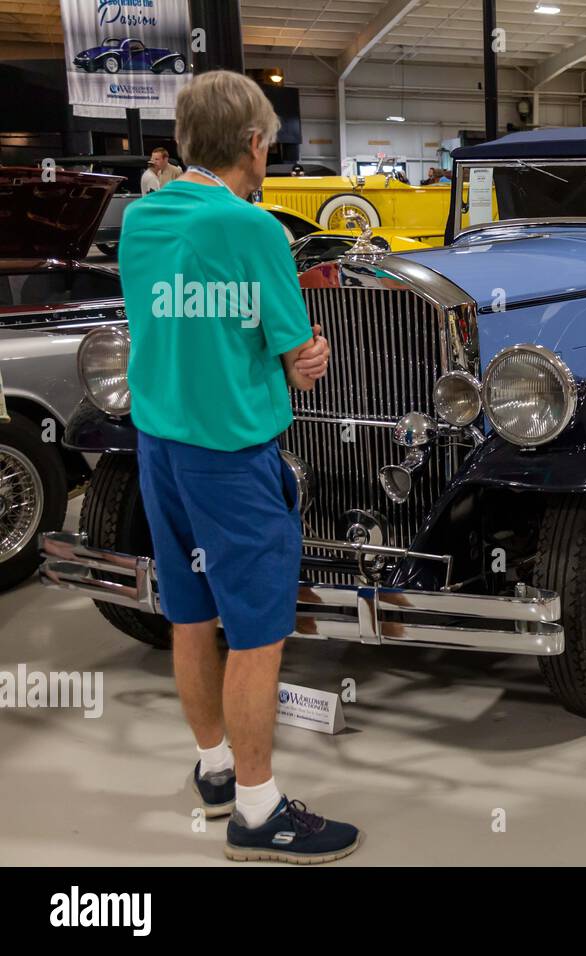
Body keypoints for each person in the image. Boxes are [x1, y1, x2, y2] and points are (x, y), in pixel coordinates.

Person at [117, 70, 357, 865]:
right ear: (253, 144)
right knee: (257, 632)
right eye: (269, 145)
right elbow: (296, 358)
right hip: (229, 455)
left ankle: (216, 767)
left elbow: (174, 323)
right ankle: (257, 812)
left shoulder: (141, 220)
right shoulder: (256, 231)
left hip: (160, 448)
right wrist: (307, 356)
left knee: (188, 613)